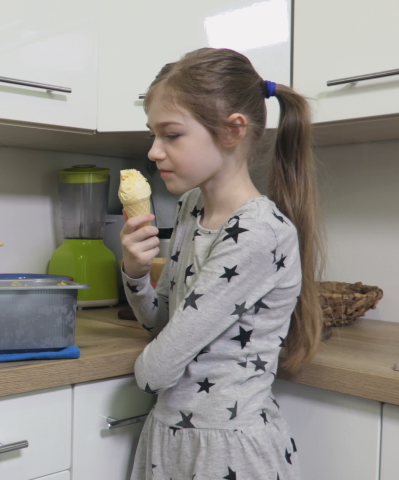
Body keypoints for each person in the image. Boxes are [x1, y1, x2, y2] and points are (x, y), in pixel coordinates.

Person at [120, 48, 325, 480]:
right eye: (152, 134)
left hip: (227, 452)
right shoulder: (191, 207)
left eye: (171, 135)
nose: (153, 152)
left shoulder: (258, 232)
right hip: (171, 438)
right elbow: (164, 326)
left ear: (233, 131)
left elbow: (156, 372)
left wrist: (152, 359)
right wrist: (135, 273)